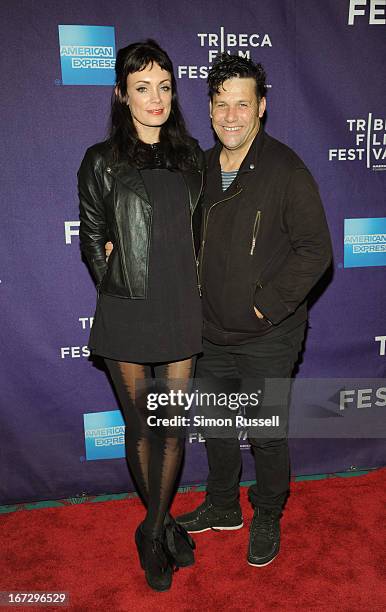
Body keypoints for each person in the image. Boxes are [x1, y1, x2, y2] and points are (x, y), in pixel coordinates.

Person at [175, 53, 333, 567]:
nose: (232, 115)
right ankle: (223, 504)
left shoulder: (286, 169)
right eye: (222, 104)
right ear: (210, 108)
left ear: (261, 107)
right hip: (211, 331)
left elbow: (316, 250)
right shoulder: (198, 167)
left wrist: (265, 305)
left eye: (244, 104)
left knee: (266, 434)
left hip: (268, 335)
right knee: (217, 427)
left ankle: (266, 511)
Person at [78, 39, 205, 592]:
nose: (155, 99)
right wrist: (117, 274)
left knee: (172, 430)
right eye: (142, 88)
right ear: (121, 95)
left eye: (164, 86)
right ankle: (158, 530)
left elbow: (202, 234)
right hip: (128, 311)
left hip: (180, 308)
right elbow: (91, 242)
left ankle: (152, 527)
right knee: (143, 428)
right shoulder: (101, 161)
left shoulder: (192, 156)